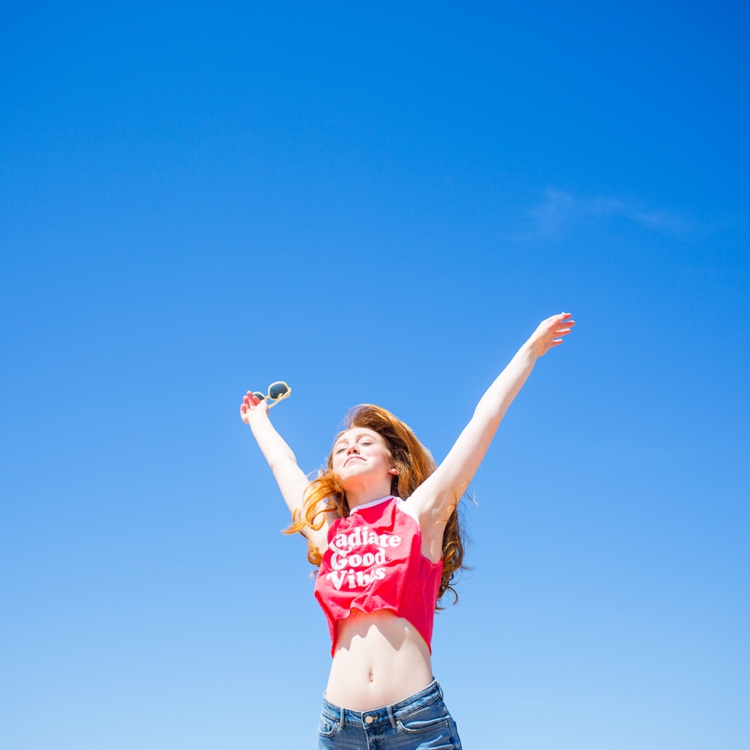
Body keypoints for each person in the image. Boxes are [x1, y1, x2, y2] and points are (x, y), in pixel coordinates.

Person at [240, 312, 574, 749]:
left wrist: (528, 352)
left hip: (416, 727)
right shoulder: (329, 532)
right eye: (342, 447)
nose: (350, 446)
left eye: (364, 442)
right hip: (339, 730)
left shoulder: (420, 515)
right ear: (335, 474)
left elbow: (482, 422)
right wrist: (257, 418)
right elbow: (281, 465)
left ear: (394, 466)